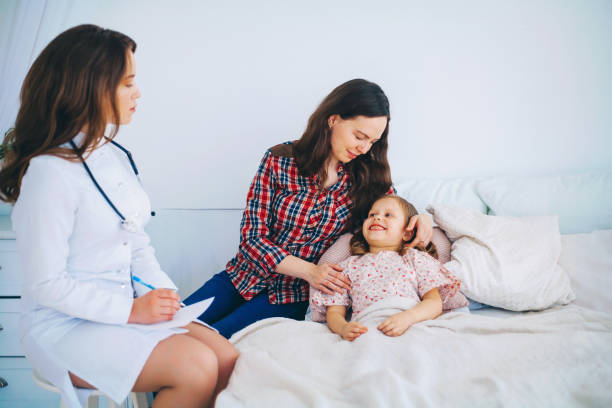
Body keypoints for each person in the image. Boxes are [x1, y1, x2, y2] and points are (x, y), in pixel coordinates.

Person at [0, 24, 237, 408]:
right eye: (128, 83)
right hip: (64, 325)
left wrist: (162, 293)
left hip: (124, 308)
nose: (138, 92)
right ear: (89, 88)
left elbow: (135, 239)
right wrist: (130, 310)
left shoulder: (111, 155)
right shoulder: (48, 172)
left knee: (227, 359)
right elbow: (47, 284)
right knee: (195, 367)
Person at [185, 79, 435, 338]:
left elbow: (396, 213)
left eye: (372, 141)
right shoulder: (279, 160)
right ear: (333, 119)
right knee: (167, 327)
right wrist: (311, 271)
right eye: (360, 136)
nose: (364, 148)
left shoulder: (367, 177)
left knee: (209, 339)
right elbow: (252, 239)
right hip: (240, 276)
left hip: (290, 297)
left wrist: (422, 218)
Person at [310, 195, 468, 341]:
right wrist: (343, 328)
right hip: (367, 328)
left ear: (407, 233)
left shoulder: (415, 259)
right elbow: (335, 313)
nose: (377, 217)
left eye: (388, 215)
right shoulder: (348, 267)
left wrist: (407, 318)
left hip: (412, 324)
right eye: (372, 215)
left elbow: (434, 303)